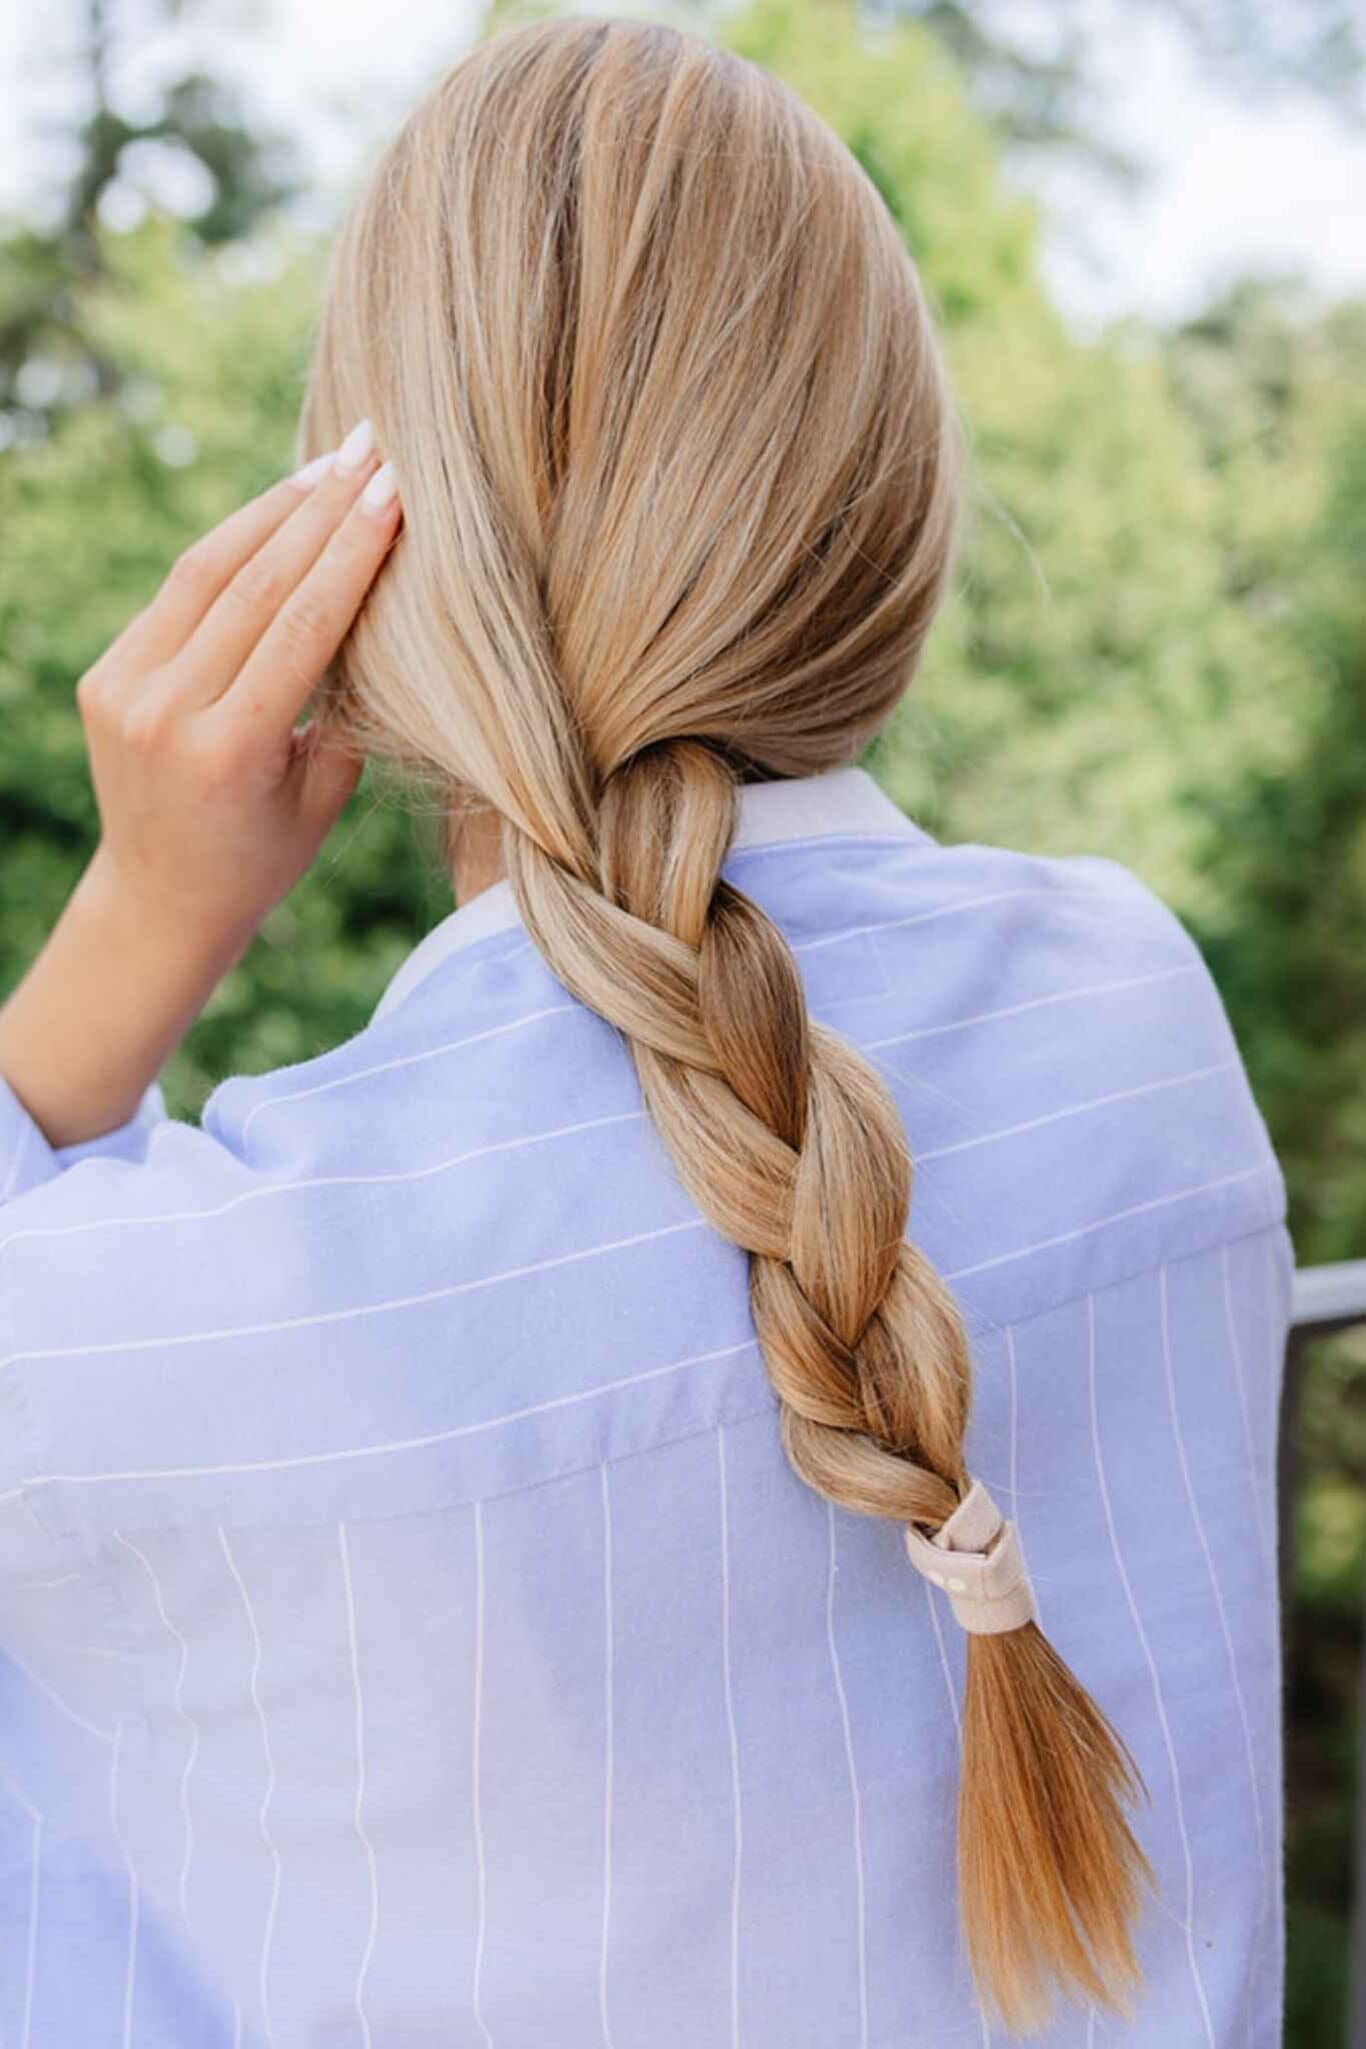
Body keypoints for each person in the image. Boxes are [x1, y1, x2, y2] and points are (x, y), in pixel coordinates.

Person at [0, 16, 1291, 2047]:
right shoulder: (1134, 1012)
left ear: (363, 551)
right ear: (887, 506)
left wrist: (141, 914)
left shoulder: (193, 1306)